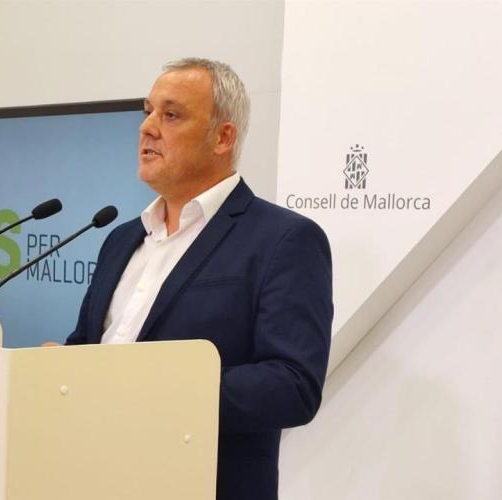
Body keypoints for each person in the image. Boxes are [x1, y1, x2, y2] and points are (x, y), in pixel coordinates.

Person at [65, 58, 333, 500]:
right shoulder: (120, 239)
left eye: (171, 115)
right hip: (96, 477)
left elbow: (293, 385)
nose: (147, 128)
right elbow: (87, 346)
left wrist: (149, 391)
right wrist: (61, 366)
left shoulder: (283, 240)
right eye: (148, 111)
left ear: (222, 138)